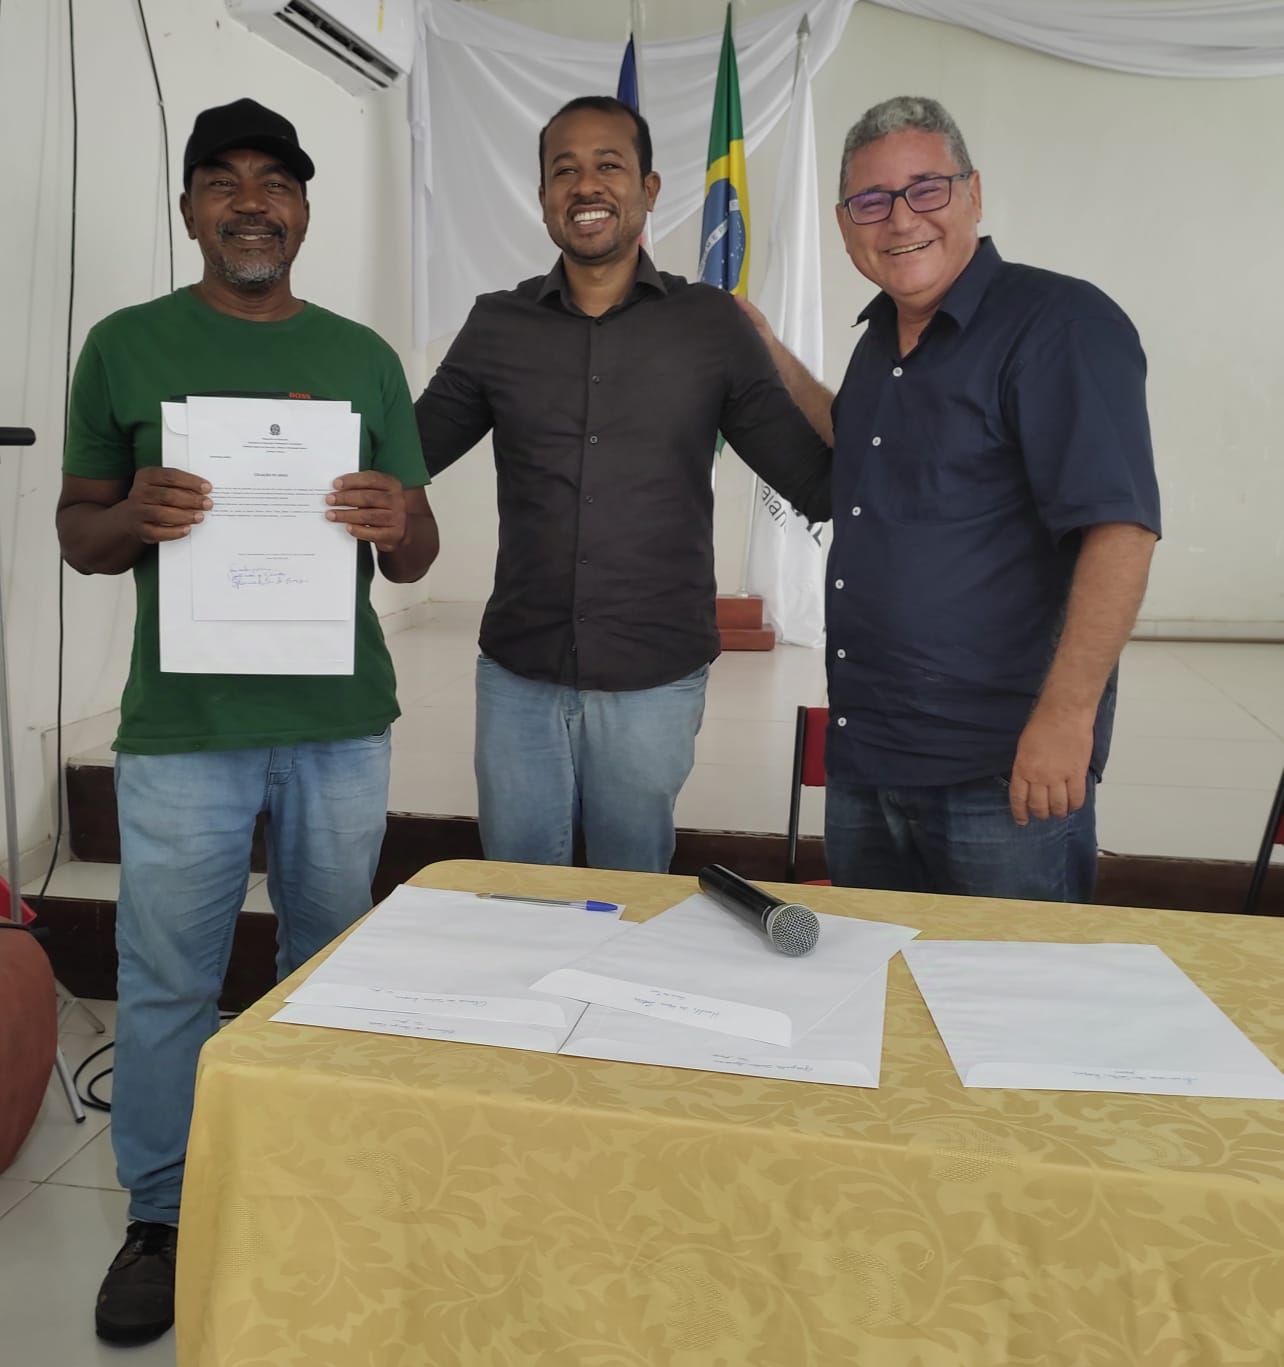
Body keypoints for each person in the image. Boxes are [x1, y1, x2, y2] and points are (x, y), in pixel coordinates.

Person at [56, 98, 438, 1345]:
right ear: (189, 211)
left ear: (304, 210)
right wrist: (135, 516)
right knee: (168, 977)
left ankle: (308, 1173)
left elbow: (419, 549)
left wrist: (396, 521)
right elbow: (79, 532)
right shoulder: (124, 346)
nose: (251, 202)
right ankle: (161, 1217)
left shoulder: (362, 357)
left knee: (326, 962)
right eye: (222, 181)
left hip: (339, 721)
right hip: (186, 726)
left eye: (275, 180)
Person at [742, 95, 1160, 902]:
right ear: (845, 224)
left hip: (999, 771)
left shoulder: (1059, 325)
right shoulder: (880, 341)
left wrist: (1068, 717)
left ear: (973, 194)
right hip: (868, 760)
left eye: (926, 188)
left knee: (1010, 979)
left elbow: (1121, 530)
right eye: (872, 201)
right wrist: (769, 353)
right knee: (875, 973)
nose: (901, 218)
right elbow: (858, 442)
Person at [414, 95, 831, 873]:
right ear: (543, 195)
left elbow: (816, 482)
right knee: (517, 892)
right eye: (563, 170)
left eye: (609, 164)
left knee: (630, 894)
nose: (586, 185)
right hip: (520, 671)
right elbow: (406, 457)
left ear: (649, 187)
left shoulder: (710, 325)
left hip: (654, 675)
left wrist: (786, 360)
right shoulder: (497, 325)